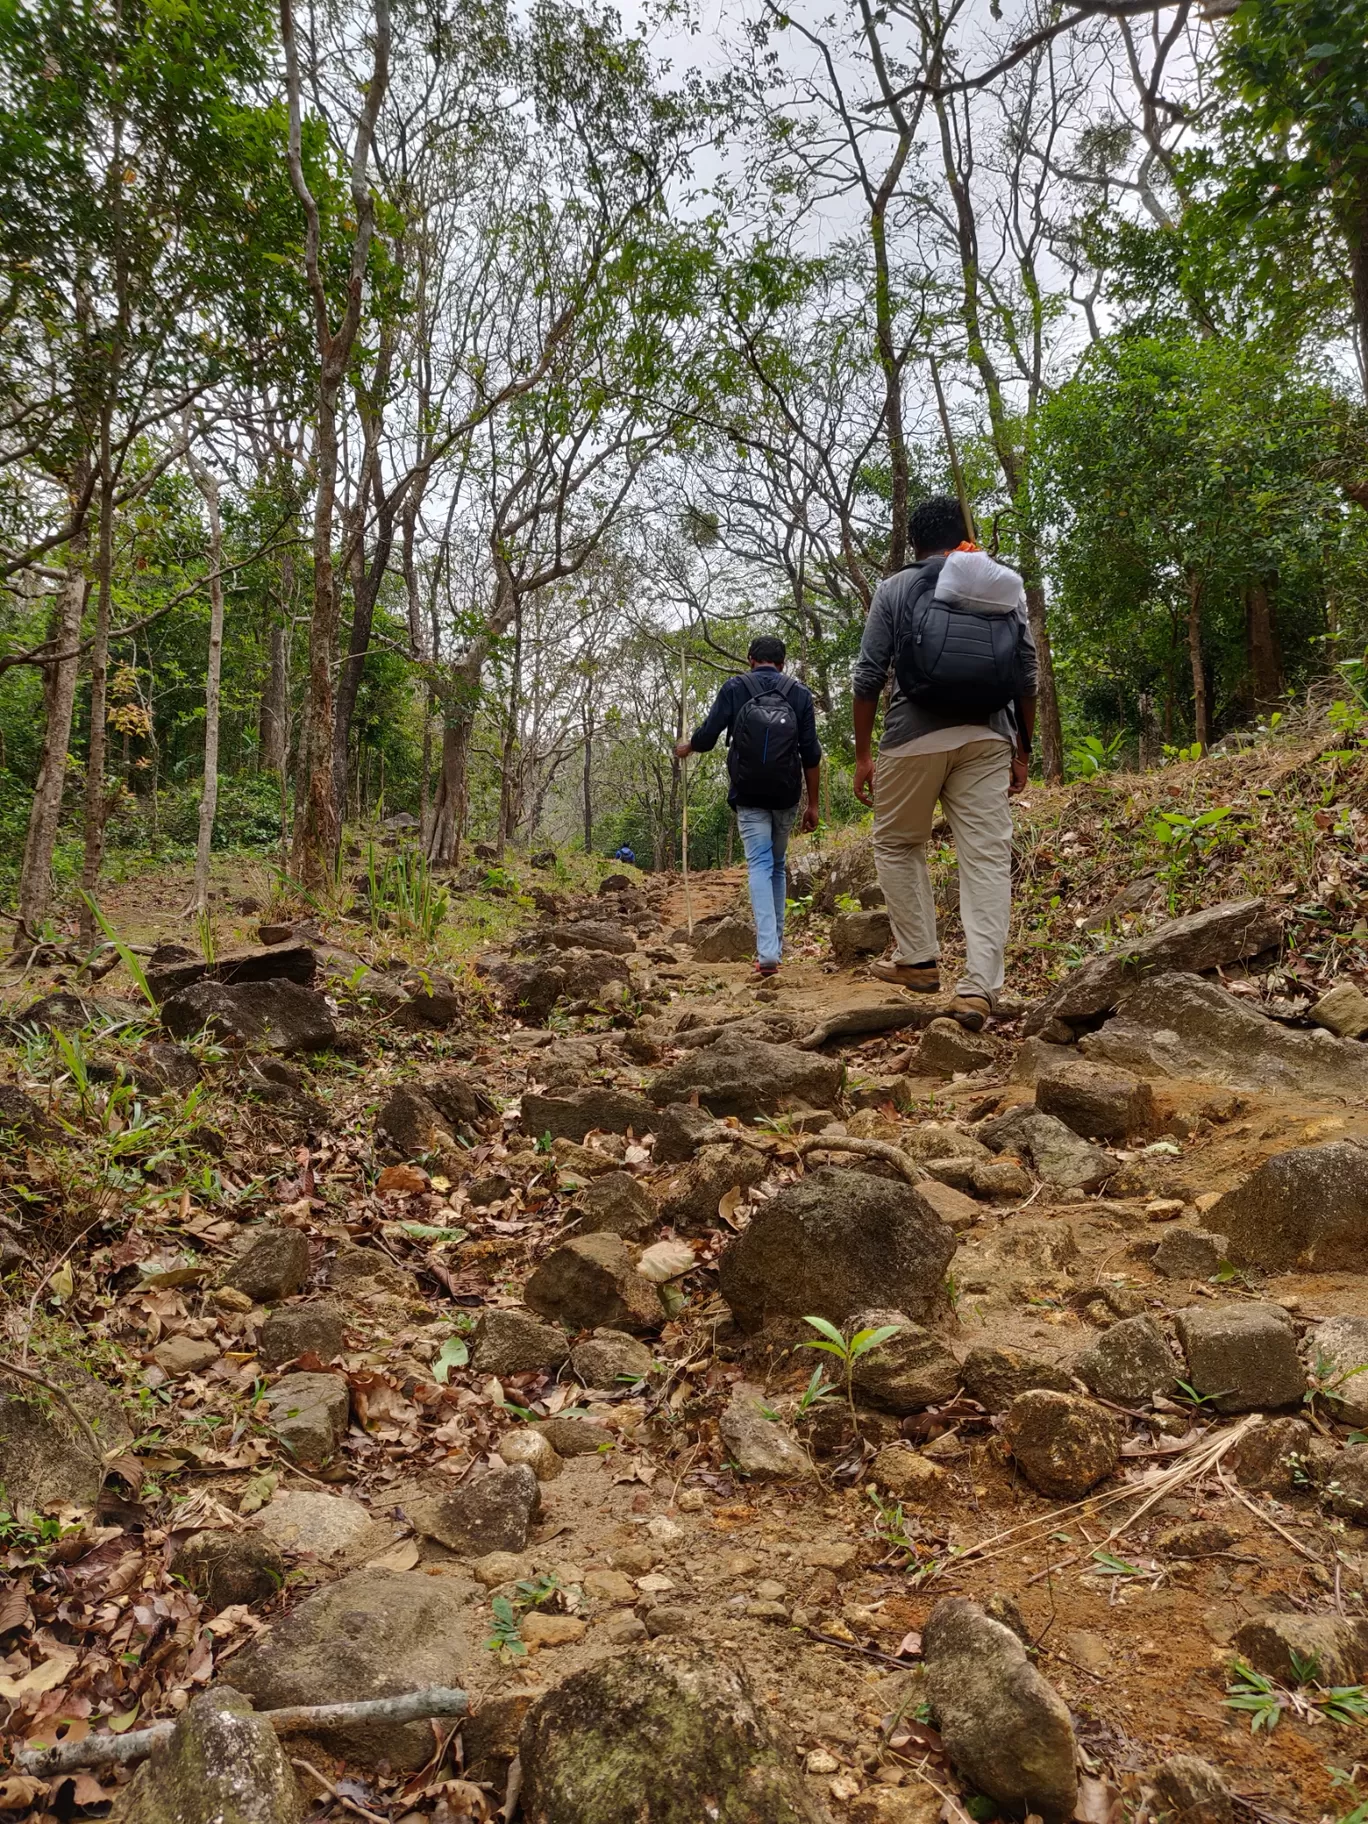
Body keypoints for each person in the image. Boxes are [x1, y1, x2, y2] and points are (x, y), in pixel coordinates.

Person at [852, 495, 1037, 1029]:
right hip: (988, 735)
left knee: (895, 841)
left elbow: (868, 677)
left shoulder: (897, 587)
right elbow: (1026, 677)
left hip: (913, 736)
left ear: (914, 543)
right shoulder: (1003, 583)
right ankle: (979, 987)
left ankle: (918, 959)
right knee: (984, 858)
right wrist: (1023, 749)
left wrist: (864, 755)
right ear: (964, 535)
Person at [675, 635, 822, 977]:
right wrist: (812, 804)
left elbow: (709, 736)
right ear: (783, 664)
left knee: (759, 863)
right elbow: (811, 753)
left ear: (750, 659)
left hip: (748, 792)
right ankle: (775, 947)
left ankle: (767, 952)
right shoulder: (799, 694)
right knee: (777, 863)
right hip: (786, 795)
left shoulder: (734, 688)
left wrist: (689, 748)